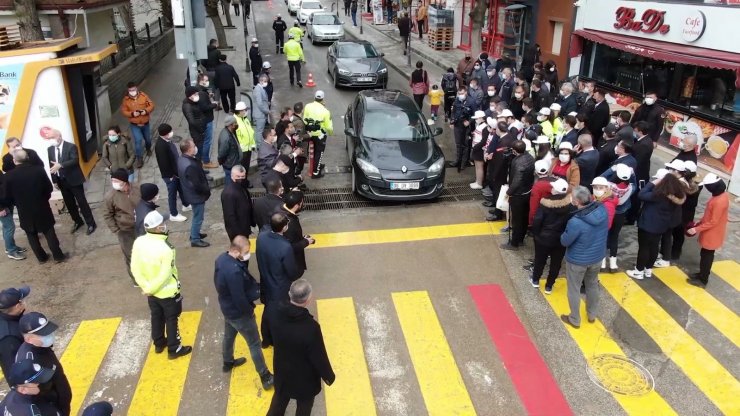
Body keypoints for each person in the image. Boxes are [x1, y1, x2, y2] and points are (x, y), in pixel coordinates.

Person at [263, 279, 335, 416]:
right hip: (305, 378)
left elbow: (266, 334)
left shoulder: (272, 312)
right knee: (304, 408)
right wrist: (328, 376)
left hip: (282, 369)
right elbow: (318, 356)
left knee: (279, 401)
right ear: (308, 299)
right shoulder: (311, 328)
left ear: (290, 294)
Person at [214, 236, 275, 387]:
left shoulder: (221, 259)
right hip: (239, 314)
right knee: (254, 343)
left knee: (229, 335)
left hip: (227, 308)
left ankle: (227, 361)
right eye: (246, 251)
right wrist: (249, 311)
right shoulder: (234, 272)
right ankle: (265, 376)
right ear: (235, 250)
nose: (248, 254)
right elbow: (239, 298)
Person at [131, 211, 193, 359]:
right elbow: (165, 275)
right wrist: (152, 288)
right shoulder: (166, 248)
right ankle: (174, 348)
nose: (165, 225)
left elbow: (134, 267)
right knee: (172, 319)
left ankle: (159, 343)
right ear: (158, 227)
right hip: (167, 292)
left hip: (150, 292)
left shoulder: (139, 242)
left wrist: (146, 288)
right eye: (162, 224)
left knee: (156, 316)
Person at [3, 150, 66, 264]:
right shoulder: (38, 170)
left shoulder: (8, 176)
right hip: (42, 206)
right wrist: (43, 199)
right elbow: (48, 188)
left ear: (14, 160)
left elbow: (6, 195)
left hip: (24, 210)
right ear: (27, 158)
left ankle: (41, 258)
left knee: (31, 234)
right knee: (49, 231)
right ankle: (58, 256)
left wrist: (17, 203)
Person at [560, 186, 608, 328]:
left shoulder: (575, 221)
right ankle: (592, 314)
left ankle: (575, 319)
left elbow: (565, 241)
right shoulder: (602, 210)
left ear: (576, 201)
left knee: (574, 288)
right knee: (592, 284)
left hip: (578, 260)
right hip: (597, 256)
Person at [626, 171, 685, 280]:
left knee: (644, 248)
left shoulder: (658, 194)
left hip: (647, 224)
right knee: (654, 247)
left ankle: (638, 271)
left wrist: (653, 183)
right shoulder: (675, 196)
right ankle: (648, 269)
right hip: (661, 225)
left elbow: (641, 194)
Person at [16, 312, 72, 415]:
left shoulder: (41, 346)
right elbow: (35, 394)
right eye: (43, 334)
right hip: (52, 405)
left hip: (59, 395)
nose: (50, 335)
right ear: (29, 339)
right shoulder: (28, 362)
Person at [46, 130, 96, 235]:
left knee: (82, 202)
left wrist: (61, 164)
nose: (51, 140)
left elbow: (74, 160)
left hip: (74, 180)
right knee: (69, 204)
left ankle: (91, 223)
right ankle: (78, 221)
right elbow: (52, 165)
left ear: (59, 136)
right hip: (61, 181)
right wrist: (54, 180)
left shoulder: (70, 147)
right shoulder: (50, 149)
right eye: (49, 138)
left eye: (53, 137)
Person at [686, 174, 729, 288]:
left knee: (707, 256)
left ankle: (703, 279)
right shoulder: (720, 195)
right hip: (711, 231)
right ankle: (702, 274)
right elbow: (709, 216)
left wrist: (696, 228)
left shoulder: (719, 201)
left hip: (712, 233)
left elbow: (713, 221)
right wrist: (699, 223)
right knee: (705, 254)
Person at [530, 179, 571, 292]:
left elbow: (537, 220)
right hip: (561, 239)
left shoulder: (545, 202)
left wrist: (536, 235)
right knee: (556, 263)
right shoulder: (570, 204)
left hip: (544, 238)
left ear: (554, 190)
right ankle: (549, 285)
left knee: (540, 260)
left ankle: (535, 280)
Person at [256, 212, 302, 307]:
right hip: (280, 288)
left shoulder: (261, 237)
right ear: (284, 227)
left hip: (265, 282)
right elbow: (291, 272)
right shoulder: (285, 247)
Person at [104, 169, 141, 281]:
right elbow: (107, 215)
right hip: (125, 231)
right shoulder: (110, 196)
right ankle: (136, 279)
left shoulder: (138, 189)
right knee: (131, 255)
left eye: (116, 180)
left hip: (141, 227)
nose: (113, 183)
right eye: (112, 180)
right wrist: (116, 230)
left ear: (124, 181)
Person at [177, 139, 211, 248]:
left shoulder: (182, 159)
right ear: (189, 149)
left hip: (190, 194)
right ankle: (195, 239)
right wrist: (206, 191)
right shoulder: (190, 165)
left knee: (197, 216)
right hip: (196, 196)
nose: (195, 147)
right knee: (198, 217)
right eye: (193, 145)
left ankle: (194, 234)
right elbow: (197, 185)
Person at [502, 140, 535, 250]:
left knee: (516, 220)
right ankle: (520, 239)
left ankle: (514, 243)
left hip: (518, 195)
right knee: (524, 217)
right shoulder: (530, 157)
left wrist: (508, 192)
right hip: (528, 192)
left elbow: (517, 180)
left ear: (515, 151)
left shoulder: (518, 162)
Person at [154, 124, 188, 223]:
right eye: (170, 131)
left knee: (181, 189)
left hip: (175, 173)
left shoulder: (167, 141)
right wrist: (171, 176)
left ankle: (185, 204)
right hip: (170, 175)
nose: (171, 133)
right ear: (165, 134)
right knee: (172, 194)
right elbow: (164, 163)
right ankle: (174, 214)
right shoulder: (161, 146)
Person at [483, 122, 515, 221]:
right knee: (497, 192)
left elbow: (500, 161)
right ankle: (497, 208)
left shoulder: (504, 142)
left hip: (501, 172)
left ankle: (497, 214)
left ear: (499, 130)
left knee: (498, 192)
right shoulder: (508, 137)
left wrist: (495, 174)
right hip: (500, 170)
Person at [605, 164, 634, 273]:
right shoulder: (630, 187)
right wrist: (632, 173)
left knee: (604, 235)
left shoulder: (608, 185)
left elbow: (601, 176)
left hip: (608, 212)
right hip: (620, 214)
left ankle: (602, 261)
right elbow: (621, 202)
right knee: (614, 236)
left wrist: (611, 168)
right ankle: (613, 263)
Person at [670, 161, 701, 261]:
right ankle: (676, 253)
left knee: (674, 232)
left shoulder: (681, 184)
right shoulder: (697, 184)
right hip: (688, 213)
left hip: (680, 211)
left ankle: (671, 252)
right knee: (679, 234)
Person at [278, 191, 315, 274]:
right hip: (291, 263)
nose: (303, 204)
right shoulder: (290, 223)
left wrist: (301, 238)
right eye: (302, 202)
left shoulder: (280, 210)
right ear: (296, 205)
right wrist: (306, 242)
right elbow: (289, 247)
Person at [120, 82, 155, 168]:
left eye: (134, 90)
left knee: (148, 139)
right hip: (135, 125)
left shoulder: (143, 96)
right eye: (130, 90)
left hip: (145, 123)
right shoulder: (126, 100)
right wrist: (132, 114)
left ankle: (148, 148)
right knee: (138, 141)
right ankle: (139, 159)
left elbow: (152, 105)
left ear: (137, 88)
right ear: (128, 90)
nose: (132, 91)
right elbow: (124, 111)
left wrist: (145, 111)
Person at [626, 121, 654, 224]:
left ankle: (631, 218)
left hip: (639, 174)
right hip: (640, 172)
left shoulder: (644, 144)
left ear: (641, 132)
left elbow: (637, 161)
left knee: (635, 197)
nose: (634, 132)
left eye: (636, 130)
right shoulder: (644, 140)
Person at [0, 285, 29, 381]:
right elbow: (13, 371)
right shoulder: (9, 339)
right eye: (22, 300)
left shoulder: (11, 316)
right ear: (17, 306)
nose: (24, 302)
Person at [303, 90, 333, 178]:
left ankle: (317, 165)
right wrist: (330, 133)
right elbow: (329, 127)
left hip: (310, 133)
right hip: (320, 135)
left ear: (315, 97)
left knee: (313, 152)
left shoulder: (308, 106)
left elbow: (304, 119)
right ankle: (316, 172)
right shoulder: (325, 111)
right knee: (319, 153)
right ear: (323, 99)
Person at [221, 166, 255, 241]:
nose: (240, 178)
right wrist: (238, 234)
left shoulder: (241, 187)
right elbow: (230, 216)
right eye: (238, 176)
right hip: (237, 232)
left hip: (244, 226)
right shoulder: (228, 193)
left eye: (243, 176)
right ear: (232, 176)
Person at [0, 169, 26, 261]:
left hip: (5, 201)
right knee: (9, 227)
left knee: (6, 227)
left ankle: (10, 247)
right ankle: (11, 251)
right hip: (2, 205)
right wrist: (1, 208)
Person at [195, 74, 219, 169]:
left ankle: (200, 158)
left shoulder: (200, 91)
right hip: (207, 120)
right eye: (206, 80)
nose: (207, 81)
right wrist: (214, 104)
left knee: (203, 141)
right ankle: (206, 161)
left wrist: (208, 96)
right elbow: (204, 107)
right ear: (201, 81)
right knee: (207, 141)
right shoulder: (201, 93)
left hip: (204, 119)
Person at [449, 86, 475, 170]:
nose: (460, 95)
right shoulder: (457, 100)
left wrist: (469, 121)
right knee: (458, 143)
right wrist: (452, 121)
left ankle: (464, 162)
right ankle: (458, 160)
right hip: (457, 124)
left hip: (466, 126)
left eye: (462, 93)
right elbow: (453, 111)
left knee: (465, 144)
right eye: (459, 94)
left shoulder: (471, 101)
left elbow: (475, 114)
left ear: (466, 92)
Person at [182, 85, 207, 161]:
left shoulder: (193, 102)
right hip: (197, 132)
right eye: (195, 94)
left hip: (200, 130)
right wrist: (201, 130)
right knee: (198, 151)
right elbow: (192, 121)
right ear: (190, 96)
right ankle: (198, 166)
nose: (197, 95)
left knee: (200, 148)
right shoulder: (187, 106)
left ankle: (200, 165)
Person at [253, 74, 271, 145]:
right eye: (265, 81)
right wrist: (267, 111)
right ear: (261, 81)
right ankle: (259, 145)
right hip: (260, 114)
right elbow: (259, 104)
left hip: (261, 114)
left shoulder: (260, 89)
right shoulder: (258, 89)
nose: (266, 83)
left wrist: (267, 103)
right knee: (259, 131)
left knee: (260, 130)